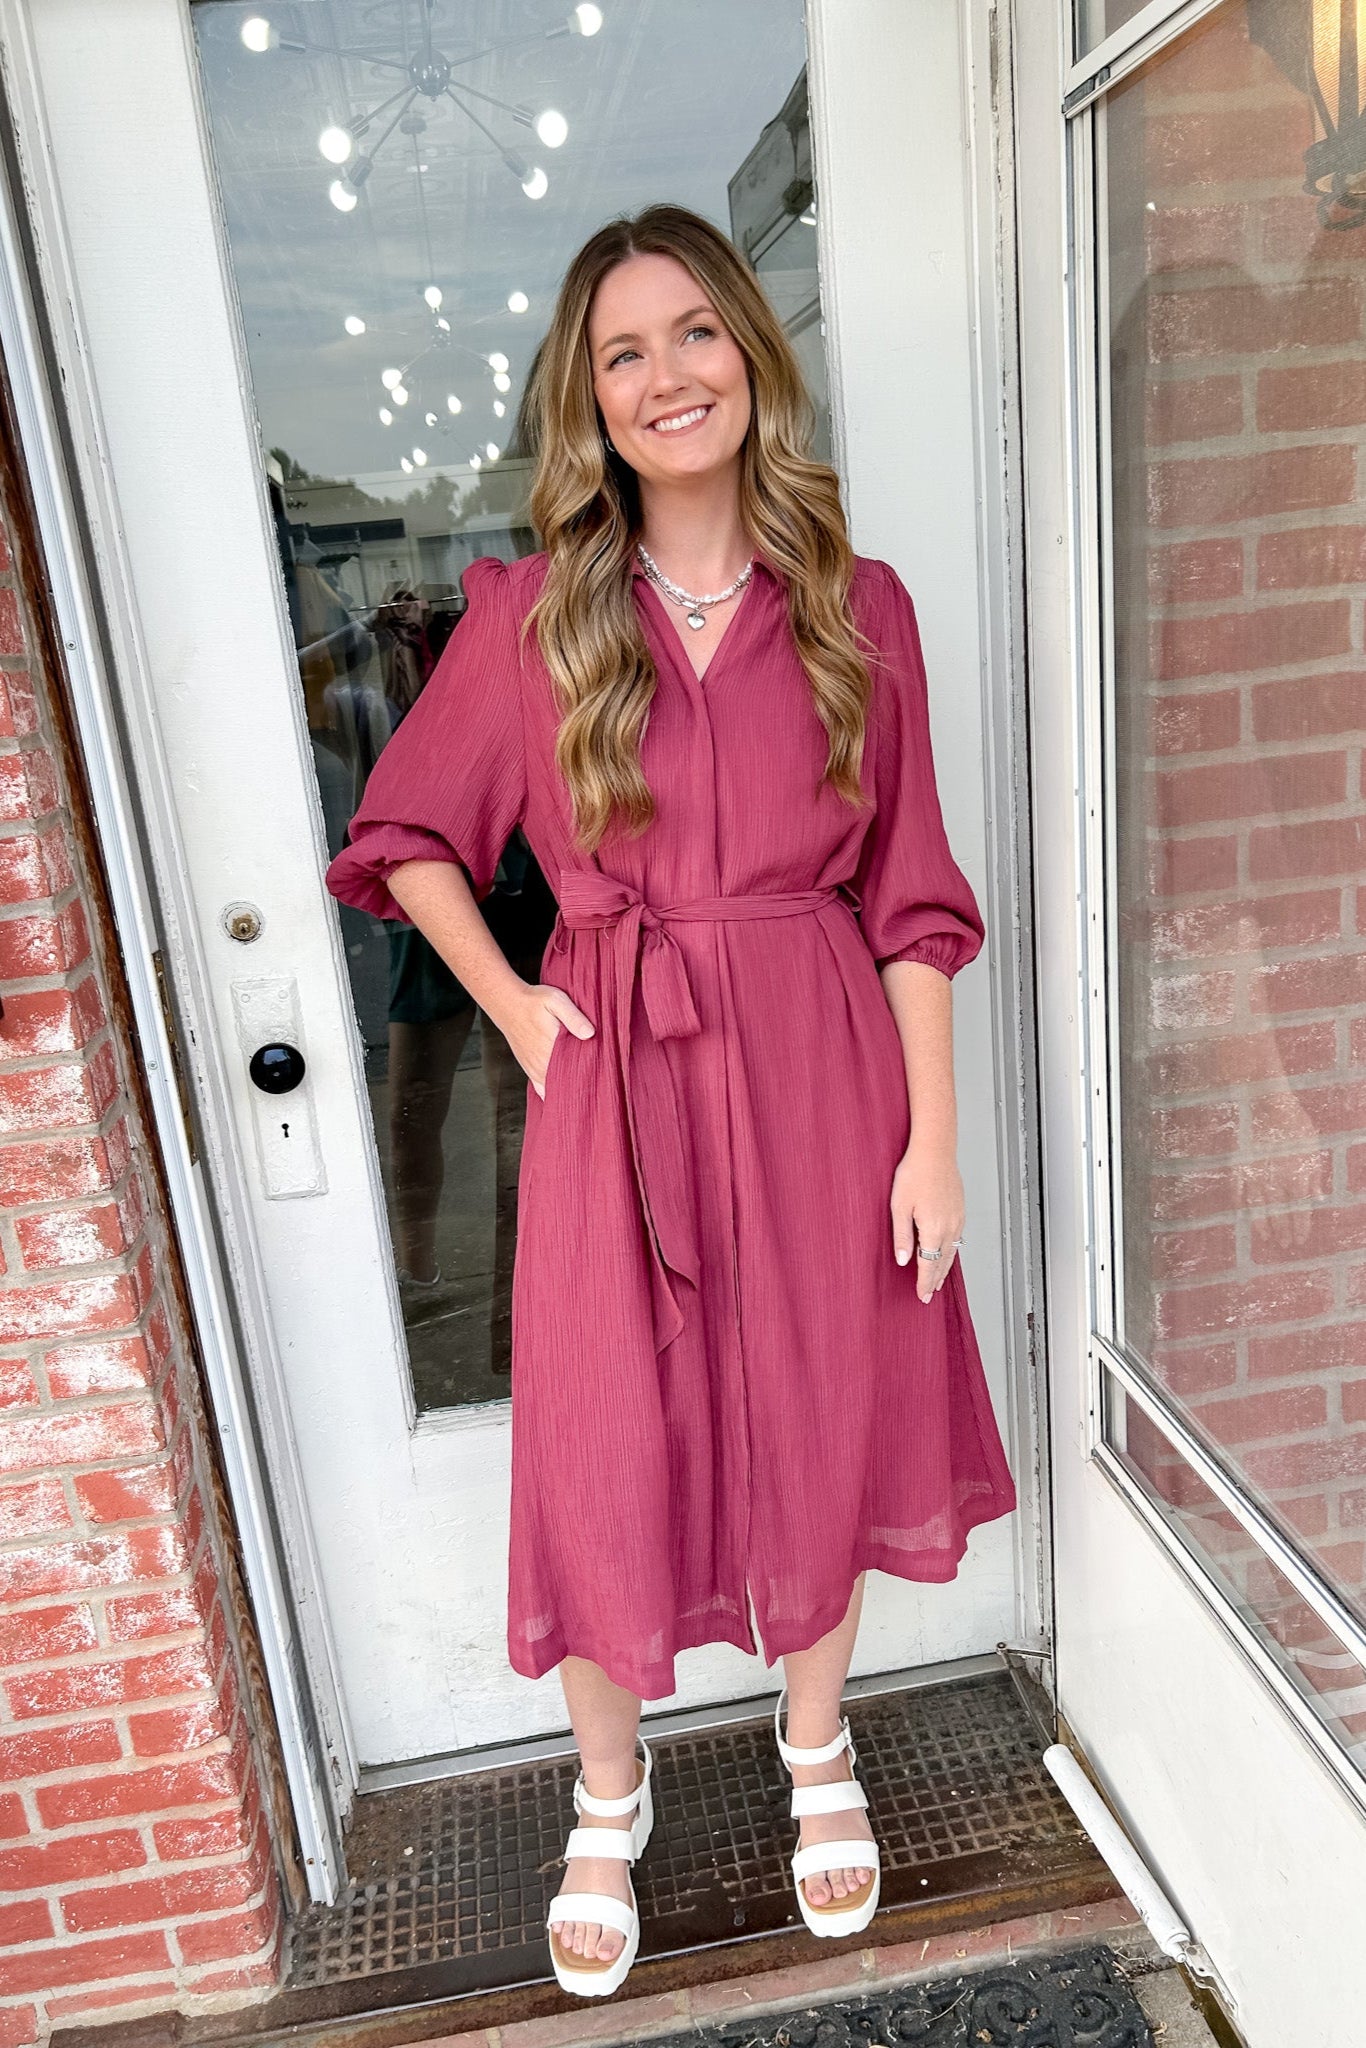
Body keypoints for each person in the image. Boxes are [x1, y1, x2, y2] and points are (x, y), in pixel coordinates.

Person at [325, 202, 1018, 2000]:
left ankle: (814, 1750)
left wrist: (931, 1134)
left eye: (695, 334)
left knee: (816, 1398)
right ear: (589, 397)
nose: (665, 376)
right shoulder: (537, 619)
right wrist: (519, 1013)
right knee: (601, 1434)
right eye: (623, 352)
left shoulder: (857, 609)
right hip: (616, 1074)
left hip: (817, 1064)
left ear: (748, 356)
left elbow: (912, 897)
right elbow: (406, 839)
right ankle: (607, 1798)